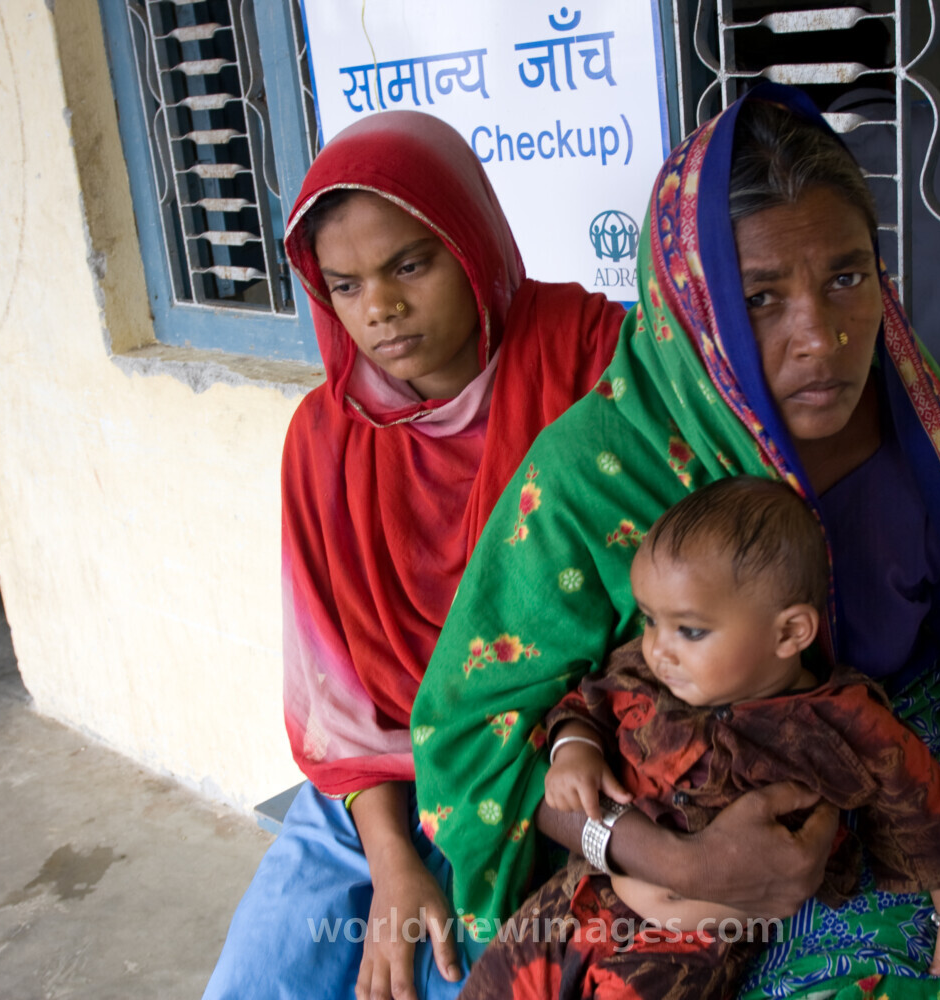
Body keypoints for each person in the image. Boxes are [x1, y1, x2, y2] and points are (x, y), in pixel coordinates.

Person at [412, 85, 940, 1000]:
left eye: (847, 276)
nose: (822, 337)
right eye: (760, 296)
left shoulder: (926, 458)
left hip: (879, 814)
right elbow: (483, 735)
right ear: (692, 303)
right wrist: (660, 854)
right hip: (644, 849)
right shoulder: (600, 469)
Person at [202, 111, 624, 1000]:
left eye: (410, 265)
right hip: (373, 794)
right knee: (263, 979)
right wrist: (392, 863)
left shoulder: (584, 358)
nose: (381, 309)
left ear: (471, 244)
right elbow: (340, 703)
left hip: (544, 768)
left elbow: (650, 604)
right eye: (346, 285)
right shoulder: (323, 443)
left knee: (452, 981)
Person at [461, 477, 940, 1000]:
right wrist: (574, 749)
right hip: (581, 894)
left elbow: (922, 806)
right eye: (650, 620)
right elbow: (588, 702)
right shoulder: (648, 676)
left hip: (680, 953)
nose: (658, 649)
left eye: (690, 631)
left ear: (790, 633)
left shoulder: (835, 724)